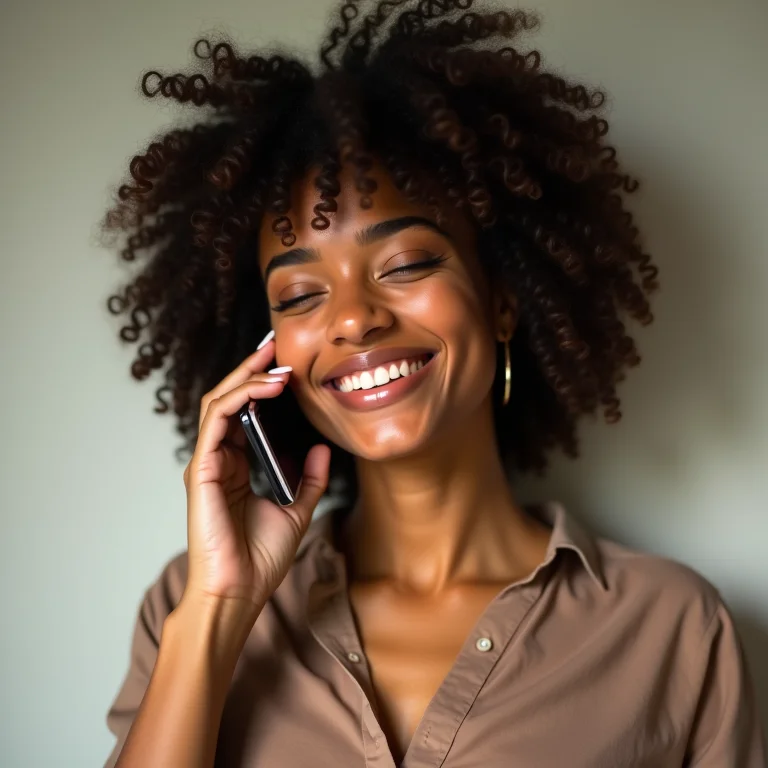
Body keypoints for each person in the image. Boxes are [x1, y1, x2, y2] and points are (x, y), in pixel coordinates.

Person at [99, 1, 766, 765]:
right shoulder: (186, 606)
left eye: (407, 264)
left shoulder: (672, 629)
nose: (352, 319)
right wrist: (218, 613)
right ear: (267, 349)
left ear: (503, 301)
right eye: (300, 296)